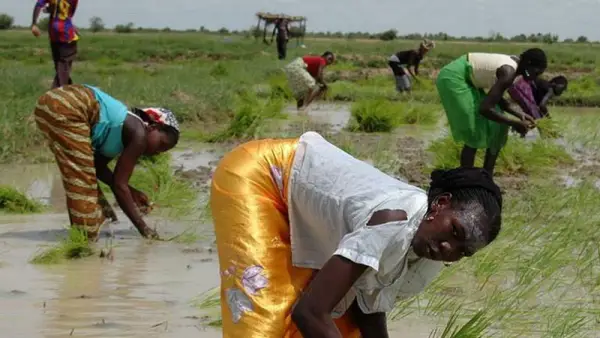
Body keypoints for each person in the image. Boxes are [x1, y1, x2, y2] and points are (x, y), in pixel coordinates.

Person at [211, 131, 503, 337]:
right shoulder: (394, 220)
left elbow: (367, 306)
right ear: (440, 204)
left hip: (307, 207)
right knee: (264, 322)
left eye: (462, 251)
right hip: (264, 177)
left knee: (344, 328)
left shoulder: (427, 253)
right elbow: (310, 312)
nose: (448, 248)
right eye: (454, 231)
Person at [33, 84, 180, 240]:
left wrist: (131, 191)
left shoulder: (121, 133)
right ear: (154, 126)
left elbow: (98, 167)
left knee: (83, 172)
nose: (155, 152)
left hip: (49, 104)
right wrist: (144, 228)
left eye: (161, 152)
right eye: (161, 144)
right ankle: (86, 236)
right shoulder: (139, 135)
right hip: (71, 104)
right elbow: (119, 185)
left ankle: (96, 225)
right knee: (81, 178)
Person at [436, 48, 548, 175]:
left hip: (471, 80)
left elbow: (497, 99)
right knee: (475, 127)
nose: (535, 77)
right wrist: (515, 123)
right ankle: (466, 179)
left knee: (499, 126)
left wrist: (519, 114)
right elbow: (485, 109)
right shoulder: (508, 72)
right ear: (528, 63)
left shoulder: (515, 70)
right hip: (455, 77)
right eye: (536, 72)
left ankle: (487, 175)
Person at [31, 0, 80, 89]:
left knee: (61, 67)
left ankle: (62, 91)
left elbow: (39, 5)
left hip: (56, 34)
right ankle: (61, 92)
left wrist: (34, 23)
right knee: (62, 67)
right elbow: (68, 12)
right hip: (66, 34)